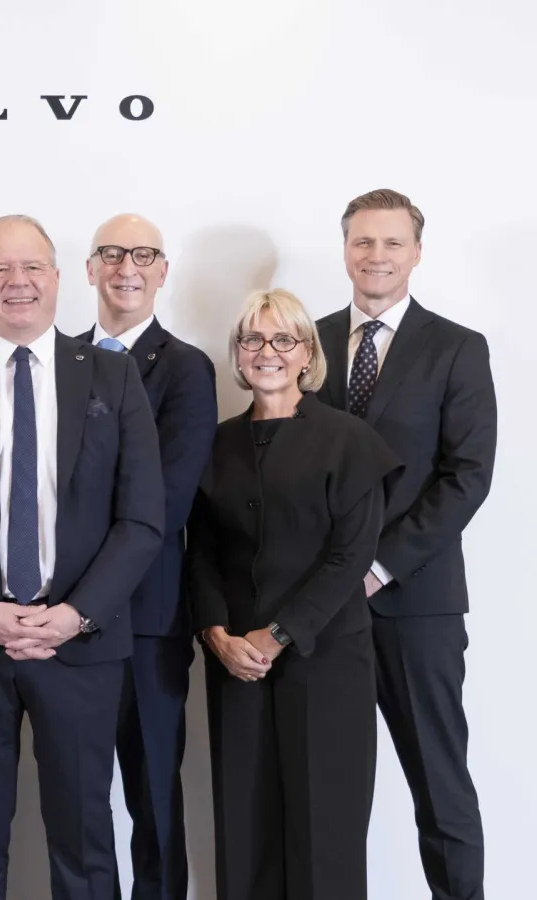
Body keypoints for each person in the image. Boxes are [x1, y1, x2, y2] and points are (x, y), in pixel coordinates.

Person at [0, 214, 163, 900]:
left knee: (85, 844)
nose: (17, 283)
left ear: (58, 277)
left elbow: (140, 521)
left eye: (32, 267)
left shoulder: (114, 374)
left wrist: (75, 614)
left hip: (81, 646)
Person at [313, 189, 497, 900]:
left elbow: (467, 476)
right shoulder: (311, 341)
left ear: (416, 253)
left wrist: (380, 565)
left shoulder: (456, 349)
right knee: (329, 791)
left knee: (439, 784)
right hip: (321, 608)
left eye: (391, 243)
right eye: (363, 242)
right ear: (346, 250)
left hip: (416, 604)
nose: (376, 256)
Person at [190, 288, 401, 900]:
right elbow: (199, 548)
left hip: (326, 659)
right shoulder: (217, 441)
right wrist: (216, 633)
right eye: (253, 339)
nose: (268, 352)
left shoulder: (348, 439)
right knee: (244, 820)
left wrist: (277, 634)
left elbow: (350, 556)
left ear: (307, 353)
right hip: (237, 664)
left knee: (324, 831)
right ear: (237, 353)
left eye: (284, 339)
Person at [77, 214, 216, 900]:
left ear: (163, 271)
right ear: (90, 268)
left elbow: (167, 501)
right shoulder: (57, 354)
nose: (125, 267)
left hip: (147, 619)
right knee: (78, 801)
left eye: (143, 255)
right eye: (111, 253)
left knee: (153, 791)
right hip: (63, 616)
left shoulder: (187, 369)